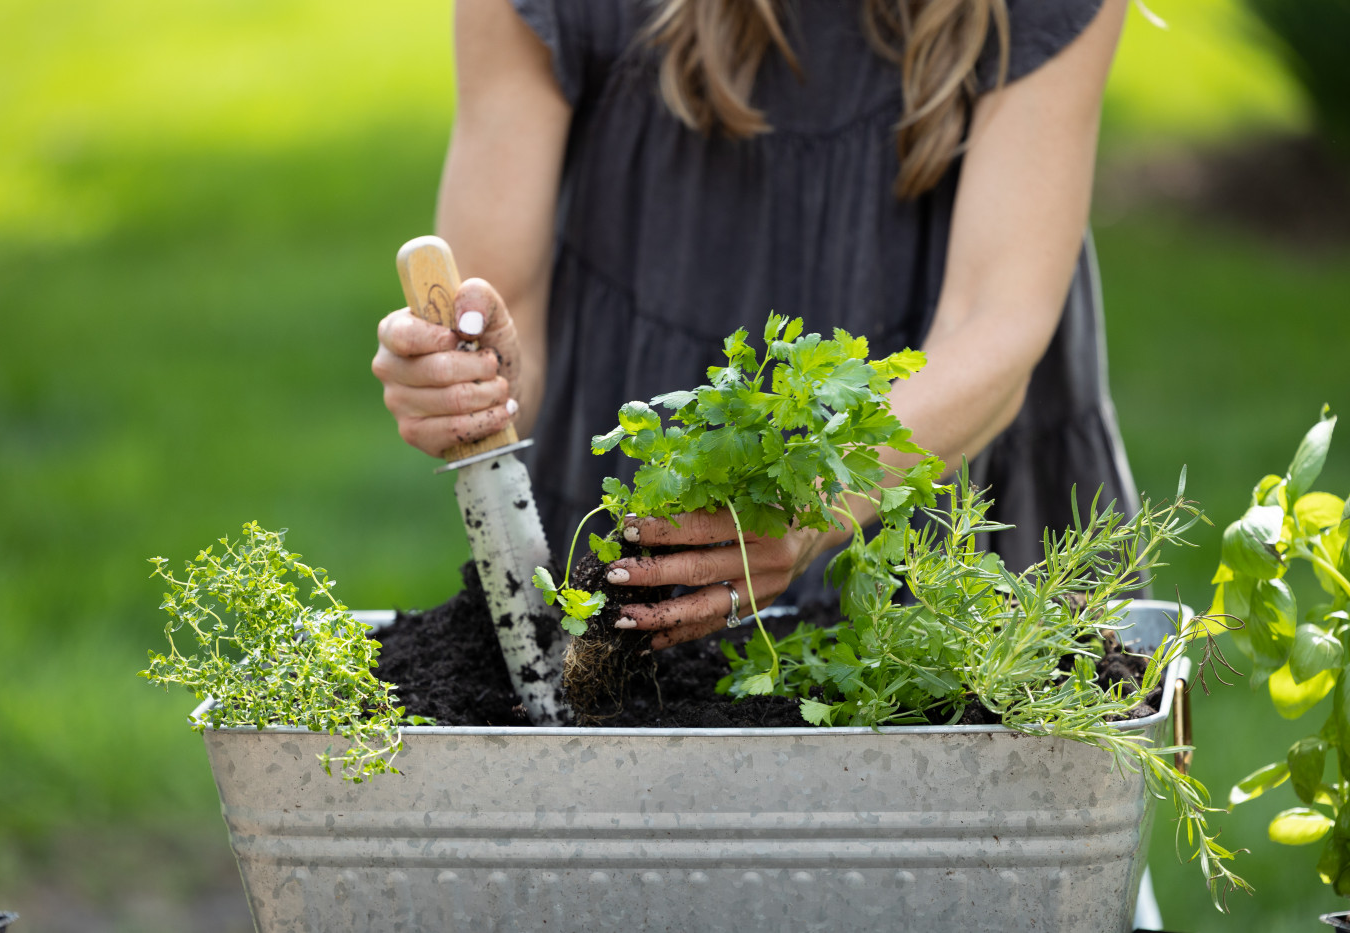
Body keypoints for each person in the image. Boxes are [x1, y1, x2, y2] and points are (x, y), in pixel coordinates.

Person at [372, 0, 1140, 650]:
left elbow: (994, 320)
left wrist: (810, 501)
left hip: (948, 484)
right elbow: (511, 332)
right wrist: (470, 384)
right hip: (645, 499)